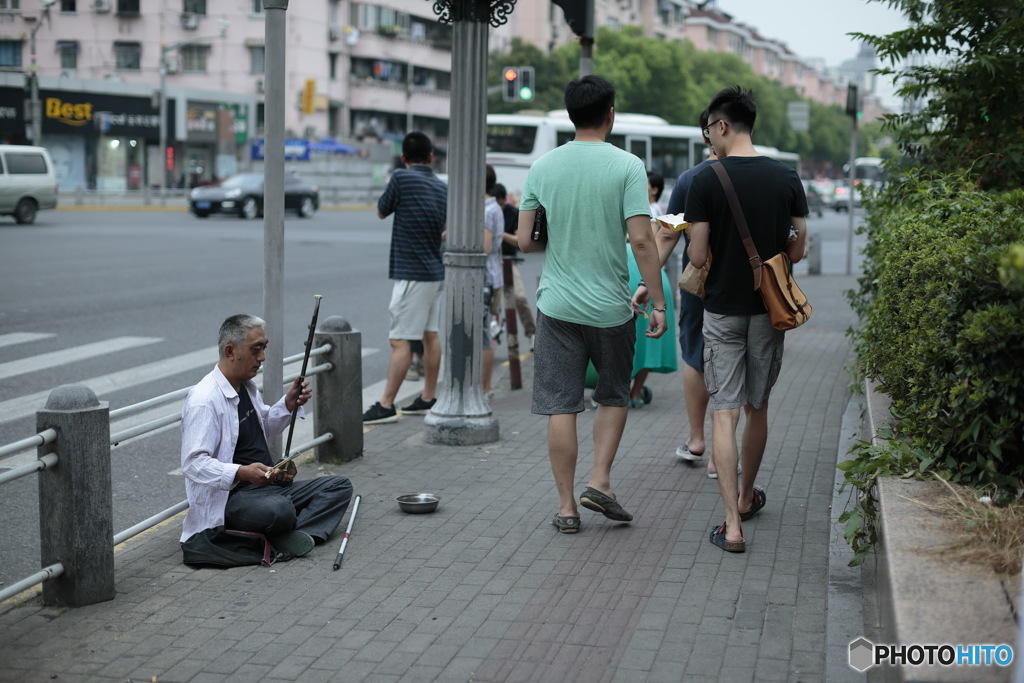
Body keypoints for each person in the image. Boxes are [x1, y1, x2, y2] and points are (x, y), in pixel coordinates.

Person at [517, 75, 668, 534]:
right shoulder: (627, 166)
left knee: (561, 405)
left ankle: (566, 508)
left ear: (569, 114)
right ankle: (600, 480)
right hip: (611, 308)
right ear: (611, 114)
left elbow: (526, 241)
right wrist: (657, 301)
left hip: (557, 305)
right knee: (613, 393)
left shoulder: (543, 167)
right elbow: (642, 239)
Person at [684, 86, 808, 553]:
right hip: (768, 310)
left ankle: (731, 526)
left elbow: (697, 255)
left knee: (724, 412)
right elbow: (798, 248)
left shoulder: (705, 179)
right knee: (758, 405)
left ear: (721, 126)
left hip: (721, 311)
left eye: (709, 132)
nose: (709, 142)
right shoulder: (786, 177)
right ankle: (745, 494)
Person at [179, 314, 354, 559]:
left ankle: (296, 536)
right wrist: (241, 472)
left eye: (264, 348)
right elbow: (193, 464)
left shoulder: (246, 386)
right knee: (280, 510)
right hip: (233, 497)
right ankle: (290, 530)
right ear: (230, 351)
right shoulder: (204, 400)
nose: (261, 358)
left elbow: (266, 426)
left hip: (267, 488)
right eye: (255, 350)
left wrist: (288, 404)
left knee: (339, 486)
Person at [636, 110, 721, 476]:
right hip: (750, 293)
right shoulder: (769, 175)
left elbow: (668, 234)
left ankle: (697, 438)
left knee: (695, 357)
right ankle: (724, 455)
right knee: (733, 367)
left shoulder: (689, 180)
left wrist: (646, 283)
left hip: (700, 287)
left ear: (708, 135)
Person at [363, 131, 447, 424]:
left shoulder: (401, 178)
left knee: (400, 341)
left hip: (413, 273)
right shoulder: (440, 186)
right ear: (430, 158)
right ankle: (428, 397)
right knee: (430, 335)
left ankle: (386, 404)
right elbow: (445, 229)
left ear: (403, 158)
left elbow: (381, 211)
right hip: (436, 272)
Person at [625, 171, 677, 408]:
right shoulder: (636, 207)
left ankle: (627, 391)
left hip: (641, 274)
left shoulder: (653, 212)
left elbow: (653, 242)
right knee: (643, 338)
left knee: (635, 335)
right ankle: (633, 393)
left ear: (653, 189)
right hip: (647, 276)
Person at [493, 183, 537, 350]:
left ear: (504, 200)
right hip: (490, 260)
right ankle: (492, 328)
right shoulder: (486, 210)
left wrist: (500, 233)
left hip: (508, 260)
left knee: (519, 297)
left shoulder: (512, 213)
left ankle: (531, 333)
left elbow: (519, 241)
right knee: (490, 299)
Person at [482, 164, 504, 400]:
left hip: (485, 278)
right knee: (485, 331)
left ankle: (484, 387)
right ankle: (484, 387)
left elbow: (485, 247)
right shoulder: (493, 207)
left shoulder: (487, 210)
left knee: (482, 335)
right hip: (493, 276)